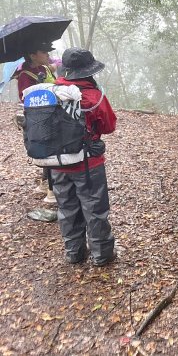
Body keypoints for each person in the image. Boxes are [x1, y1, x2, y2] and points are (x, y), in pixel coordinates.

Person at [52, 48, 117, 266]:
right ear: (88, 72)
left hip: (57, 164)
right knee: (95, 209)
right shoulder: (93, 96)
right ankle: (101, 254)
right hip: (88, 164)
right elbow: (109, 126)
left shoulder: (51, 92)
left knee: (67, 208)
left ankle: (74, 252)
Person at [17, 42, 58, 204]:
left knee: (53, 147)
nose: (47, 54)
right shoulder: (25, 75)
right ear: (33, 55)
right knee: (47, 148)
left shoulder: (46, 69)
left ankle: (45, 183)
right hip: (37, 119)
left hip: (53, 113)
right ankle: (50, 191)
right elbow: (24, 98)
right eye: (43, 52)